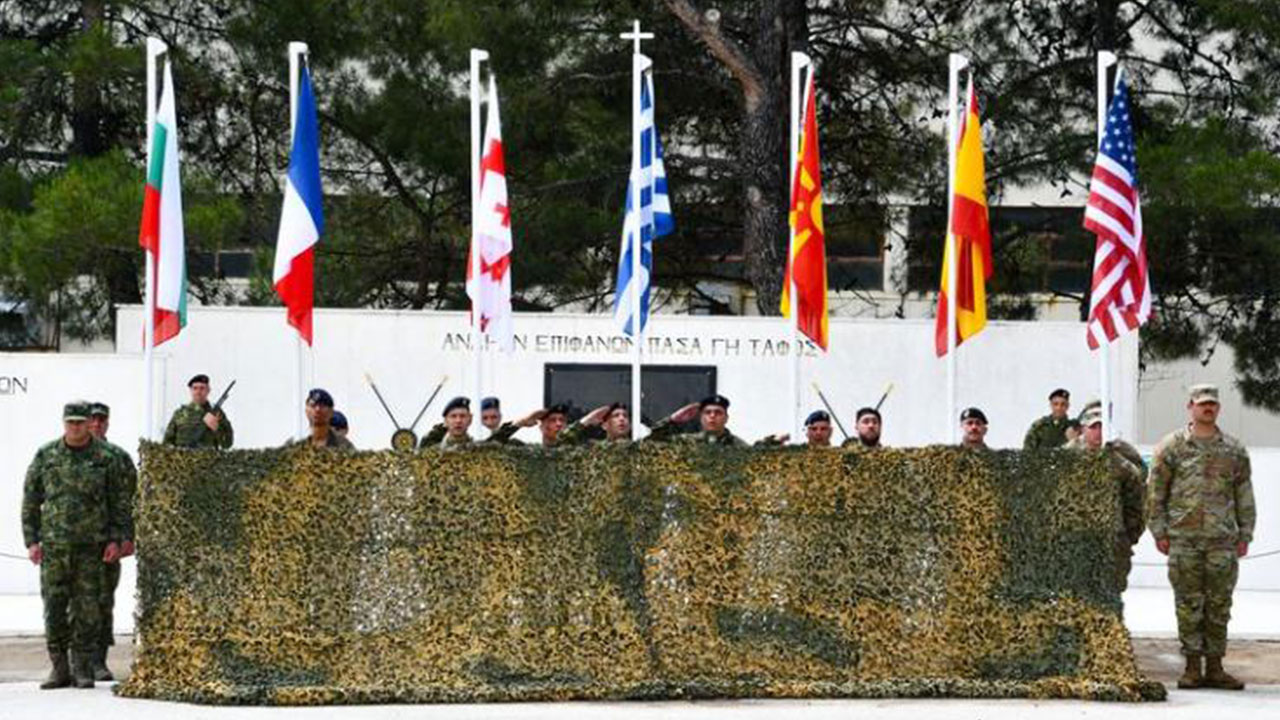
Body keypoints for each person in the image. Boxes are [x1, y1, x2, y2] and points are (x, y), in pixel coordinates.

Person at [1148, 384, 1255, 690]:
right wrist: (1159, 530)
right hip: (1184, 540)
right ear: (1190, 406)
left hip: (1222, 540)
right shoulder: (1172, 447)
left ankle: (1216, 667)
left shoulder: (1233, 450)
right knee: (1188, 603)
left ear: (1218, 409)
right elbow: (1156, 493)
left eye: (1212, 404)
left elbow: (1244, 494)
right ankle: (1193, 667)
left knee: (1220, 603)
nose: (1208, 409)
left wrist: (1245, 532)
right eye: (1202, 404)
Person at [22, 401, 131, 689]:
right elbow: (31, 499)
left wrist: (116, 539)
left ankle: (83, 667)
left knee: (87, 610)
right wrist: (32, 541)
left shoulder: (107, 457)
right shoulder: (46, 455)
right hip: (55, 548)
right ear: (64, 423)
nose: (76, 427)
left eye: (81, 423)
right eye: (71, 422)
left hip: (91, 549)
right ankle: (59, 668)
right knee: (54, 607)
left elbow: (119, 502)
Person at [1064, 405, 1145, 594]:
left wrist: (1129, 536)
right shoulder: (1065, 457)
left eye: (1102, 427)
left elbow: (1136, 500)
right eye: (1093, 427)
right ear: (1083, 428)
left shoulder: (1118, 460)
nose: (1098, 432)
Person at [85, 403, 137, 681]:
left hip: (107, 543)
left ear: (107, 423)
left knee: (103, 601)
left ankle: (98, 661)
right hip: (75, 544)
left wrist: (128, 537)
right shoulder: (67, 454)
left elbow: (131, 500)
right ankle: (74, 662)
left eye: (101, 420)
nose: (96, 425)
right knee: (74, 602)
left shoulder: (118, 458)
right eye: (92, 420)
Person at [162, 374, 234, 448]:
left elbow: (227, 444)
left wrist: (216, 428)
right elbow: (166, 443)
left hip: (208, 459)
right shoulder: (180, 414)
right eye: (195, 388)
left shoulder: (217, 414)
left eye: (202, 388)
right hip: (182, 458)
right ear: (190, 390)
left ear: (208, 390)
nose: (198, 392)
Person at [648, 394, 748, 447]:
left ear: (726, 418)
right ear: (701, 418)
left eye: (718, 412)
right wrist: (673, 420)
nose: (712, 416)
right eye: (707, 412)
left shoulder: (739, 446)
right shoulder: (687, 442)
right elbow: (653, 439)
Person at [289, 389, 355, 450]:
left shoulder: (344, 446)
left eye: (322, 406)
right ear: (306, 411)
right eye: (313, 405)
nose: (317, 410)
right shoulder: (298, 449)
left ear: (331, 412)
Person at [560, 403, 633, 445]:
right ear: (605, 425)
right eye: (616, 416)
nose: (622, 419)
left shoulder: (637, 449)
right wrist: (587, 420)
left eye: (625, 416)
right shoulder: (594, 448)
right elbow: (562, 440)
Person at [760, 410, 834, 448]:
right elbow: (758, 450)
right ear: (807, 432)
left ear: (830, 431)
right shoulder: (797, 453)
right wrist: (775, 442)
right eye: (813, 429)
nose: (818, 433)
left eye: (823, 429)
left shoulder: (838, 455)